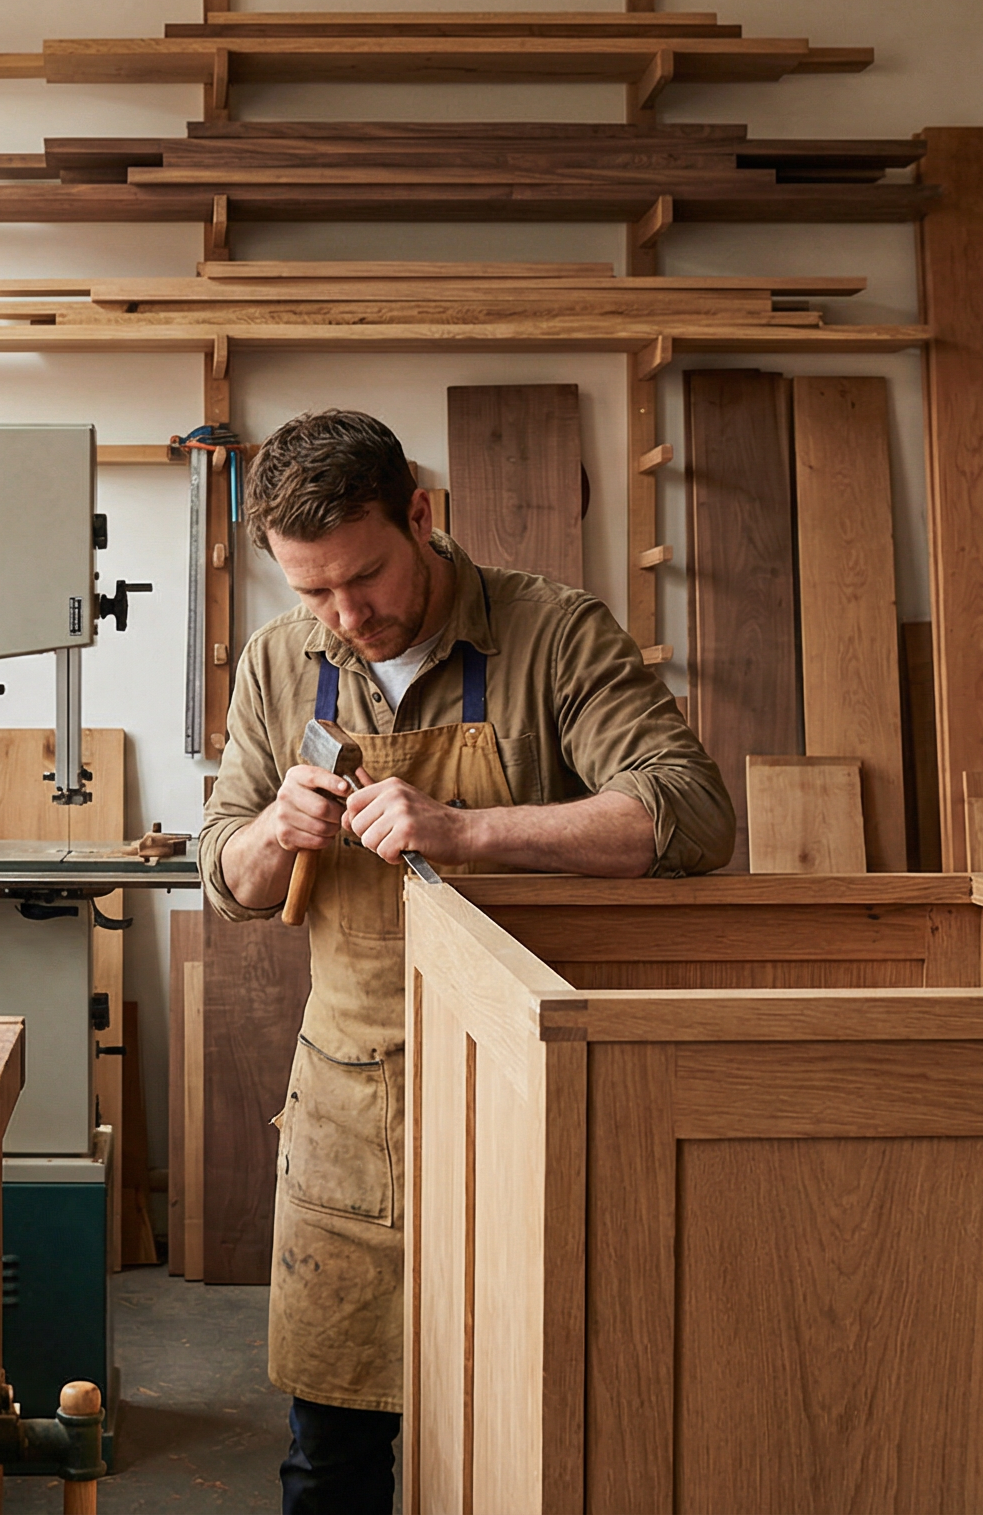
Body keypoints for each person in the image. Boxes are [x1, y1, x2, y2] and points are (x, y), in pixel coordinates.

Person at [197, 408, 733, 1514]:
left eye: (365, 577)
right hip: (351, 1108)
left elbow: (687, 817)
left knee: (522, 1433)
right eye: (312, 593)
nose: (346, 618)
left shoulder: (555, 633)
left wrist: (471, 830)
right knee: (331, 1452)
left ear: (423, 516)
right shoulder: (278, 661)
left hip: (527, 1101)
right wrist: (270, 833)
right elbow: (224, 876)